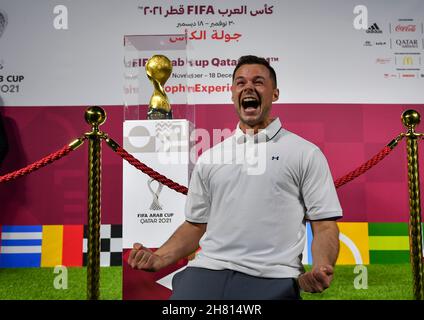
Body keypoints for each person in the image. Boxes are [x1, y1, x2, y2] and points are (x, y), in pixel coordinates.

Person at [128, 55, 343, 300]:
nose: (248, 87)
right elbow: (196, 224)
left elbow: (324, 224)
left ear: (275, 94)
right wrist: (159, 257)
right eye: (240, 83)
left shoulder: (305, 153)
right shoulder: (210, 158)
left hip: (273, 276)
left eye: (258, 82)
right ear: (232, 95)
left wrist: (321, 266)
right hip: (206, 269)